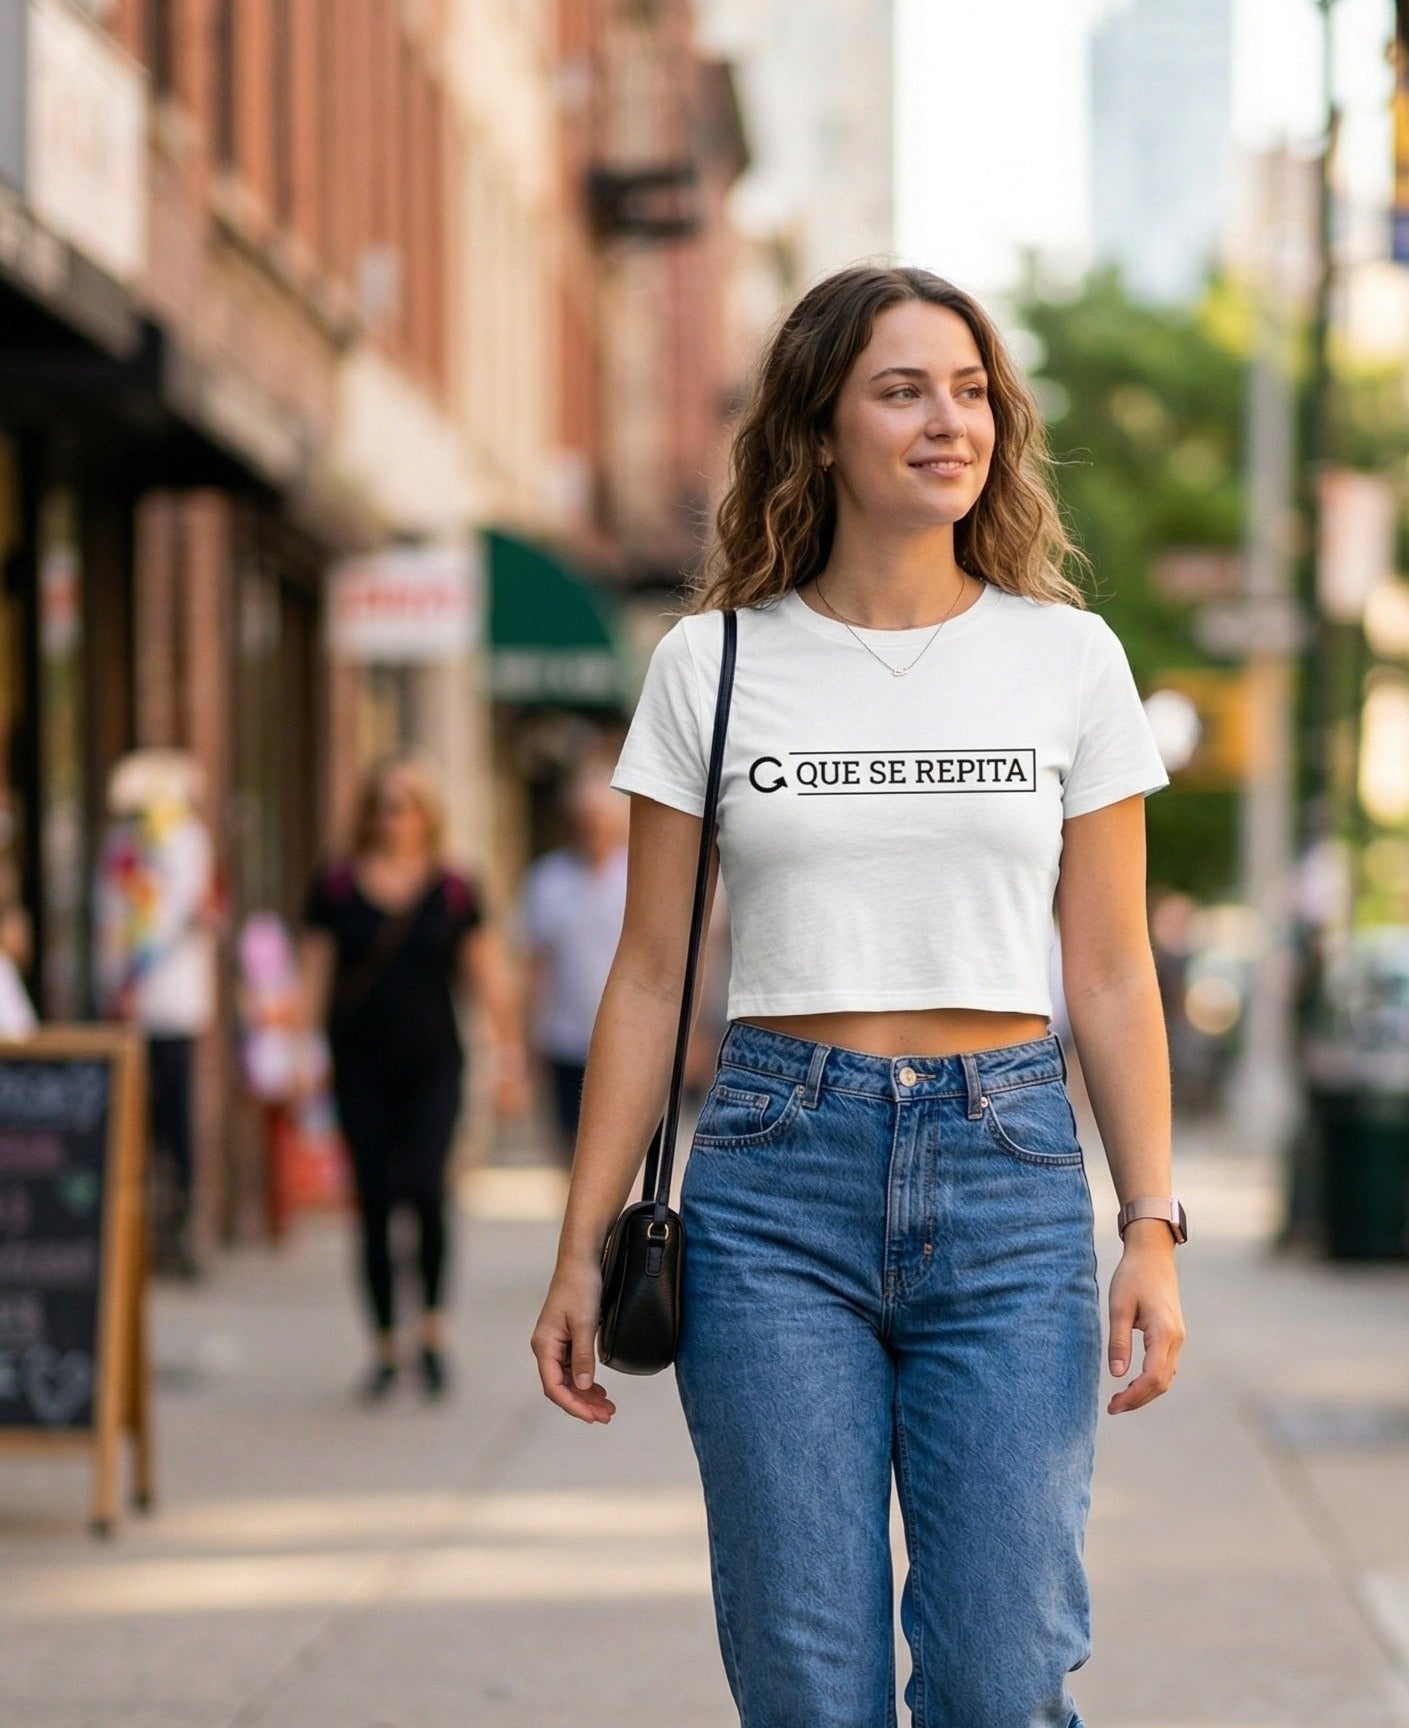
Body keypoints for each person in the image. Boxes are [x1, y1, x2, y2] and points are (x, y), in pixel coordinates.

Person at [532, 265, 1187, 1723]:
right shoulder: (713, 662)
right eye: (902, 391)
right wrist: (580, 1249)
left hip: (1009, 1171)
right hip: (776, 1183)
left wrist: (1150, 1224)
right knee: (806, 1684)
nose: (948, 422)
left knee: (1001, 1677)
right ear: (820, 431)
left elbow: (1110, 966)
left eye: (971, 392)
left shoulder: (1068, 658)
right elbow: (648, 976)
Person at [300, 757, 526, 1401]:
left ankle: (431, 1333)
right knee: (373, 1200)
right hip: (358, 1065)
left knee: (426, 1190)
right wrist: (299, 1057)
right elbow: (313, 977)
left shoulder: (453, 889)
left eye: (403, 805)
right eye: (381, 804)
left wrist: (509, 1060)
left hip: (433, 1066)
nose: (391, 818)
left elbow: (488, 978)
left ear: (427, 815)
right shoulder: (336, 886)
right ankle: (384, 1346)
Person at [94, 749, 219, 1280]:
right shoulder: (121, 844)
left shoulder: (187, 841)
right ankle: (136, 1229)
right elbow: (109, 915)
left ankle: (179, 1228)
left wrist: (134, 976)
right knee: (133, 1119)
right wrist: (116, 982)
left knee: (176, 1117)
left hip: (172, 1003)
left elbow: (181, 913)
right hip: (128, 1007)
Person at [517, 758, 630, 1161]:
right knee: (570, 1144)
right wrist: (525, 1041)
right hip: (564, 1038)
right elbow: (536, 965)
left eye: (600, 818)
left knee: (621, 1145)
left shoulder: (636, 878)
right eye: (585, 818)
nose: (593, 828)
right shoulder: (547, 879)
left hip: (625, 1037)